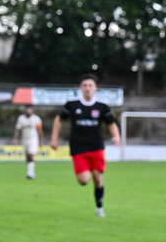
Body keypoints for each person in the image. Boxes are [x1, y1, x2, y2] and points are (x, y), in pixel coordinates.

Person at [50, 74, 121, 217]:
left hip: (96, 146)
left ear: (95, 88)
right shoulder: (72, 105)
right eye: (85, 86)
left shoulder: (102, 107)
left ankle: (99, 207)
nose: (88, 88)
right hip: (78, 147)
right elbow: (59, 120)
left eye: (90, 86)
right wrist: (54, 138)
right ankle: (88, 176)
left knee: (98, 177)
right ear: (80, 88)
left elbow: (111, 123)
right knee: (83, 180)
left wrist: (116, 136)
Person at [13, 104, 44, 179]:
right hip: (24, 140)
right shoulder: (21, 118)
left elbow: (39, 130)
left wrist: (41, 141)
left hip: (33, 140)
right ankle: (30, 171)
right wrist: (15, 139)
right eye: (27, 109)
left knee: (31, 155)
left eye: (30, 109)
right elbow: (18, 129)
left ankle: (30, 173)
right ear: (25, 110)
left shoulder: (36, 119)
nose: (28, 110)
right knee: (27, 157)